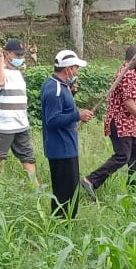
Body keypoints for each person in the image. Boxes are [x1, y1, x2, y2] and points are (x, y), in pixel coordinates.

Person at [82, 45, 136, 199]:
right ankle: (91, 180)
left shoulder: (128, 72)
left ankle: (134, 192)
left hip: (128, 124)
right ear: (135, 59)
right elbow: (128, 101)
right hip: (121, 124)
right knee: (122, 156)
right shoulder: (127, 74)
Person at [40, 49, 94, 219]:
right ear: (68, 69)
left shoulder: (61, 86)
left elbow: (62, 108)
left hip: (67, 146)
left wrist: (71, 91)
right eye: (76, 67)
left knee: (68, 189)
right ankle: (63, 224)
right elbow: (53, 119)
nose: (77, 71)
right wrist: (78, 115)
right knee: (66, 192)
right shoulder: (54, 89)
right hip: (61, 147)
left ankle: (64, 223)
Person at [0, 38, 39, 186]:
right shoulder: (1, 71)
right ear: (7, 53)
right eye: (17, 55)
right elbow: (0, 82)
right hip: (6, 124)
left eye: (22, 56)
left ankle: (37, 190)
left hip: (22, 123)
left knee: (27, 157)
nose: (20, 58)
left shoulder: (18, 72)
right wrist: (0, 58)